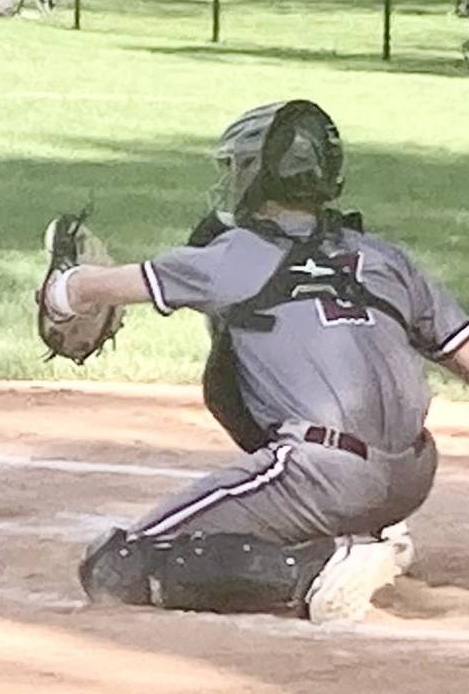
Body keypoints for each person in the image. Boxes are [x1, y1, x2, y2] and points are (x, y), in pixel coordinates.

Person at [40, 100, 467, 622]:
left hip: (320, 475)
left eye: (234, 167)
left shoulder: (235, 255)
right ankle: (366, 537)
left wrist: (62, 287)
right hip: (412, 476)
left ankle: (317, 570)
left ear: (255, 174)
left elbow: (101, 289)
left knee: (118, 564)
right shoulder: (383, 256)